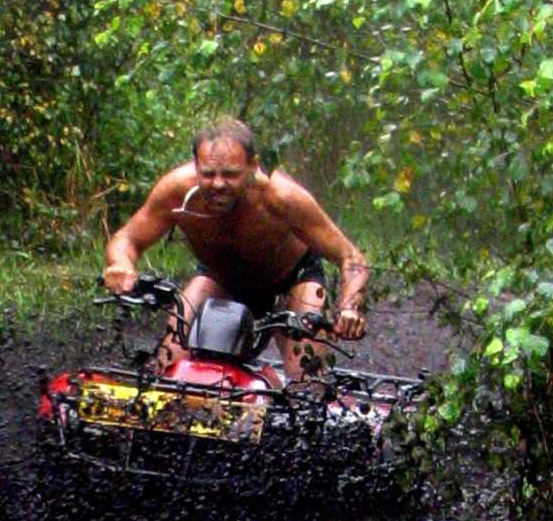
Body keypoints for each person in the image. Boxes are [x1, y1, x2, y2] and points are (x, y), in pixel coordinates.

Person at [102, 117, 369, 379]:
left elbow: (351, 257)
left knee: (306, 380)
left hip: (292, 280)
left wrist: (349, 308)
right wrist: (121, 264)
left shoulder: (281, 196)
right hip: (220, 277)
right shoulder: (176, 191)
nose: (218, 184)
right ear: (196, 166)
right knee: (168, 365)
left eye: (230, 174)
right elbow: (128, 238)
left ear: (253, 166)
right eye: (208, 174)